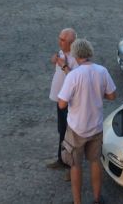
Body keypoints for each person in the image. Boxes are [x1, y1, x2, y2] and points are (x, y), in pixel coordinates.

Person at [58, 39, 116, 204]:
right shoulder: (102, 71)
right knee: (95, 161)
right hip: (96, 127)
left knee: (75, 165)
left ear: (75, 55)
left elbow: (61, 104)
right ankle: (97, 199)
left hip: (77, 128)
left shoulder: (73, 76)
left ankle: (78, 202)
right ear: (90, 53)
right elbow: (112, 96)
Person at [47, 28, 78, 170]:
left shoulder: (76, 58)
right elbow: (55, 60)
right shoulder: (62, 52)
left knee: (68, 135)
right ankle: (61, 160)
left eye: (63, 40)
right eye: (59, 38)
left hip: (69, 102)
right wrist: (55, 58)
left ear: (71, 43)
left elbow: (77, 80)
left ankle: (70, 166)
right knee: (61, 131)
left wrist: (64, 65)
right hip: (60, 100)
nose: (60, 42)